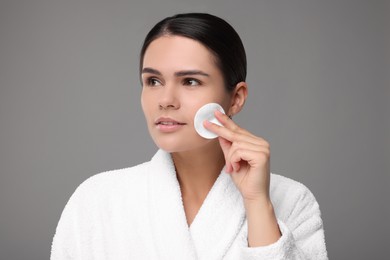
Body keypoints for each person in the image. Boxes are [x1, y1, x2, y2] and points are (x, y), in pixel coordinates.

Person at [51, 13, 328, 259]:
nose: (166, 100)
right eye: (153, 81)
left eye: (190, 81)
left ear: (236, 98)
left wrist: (258, 204)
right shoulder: (97, 199)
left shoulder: (292, 201)